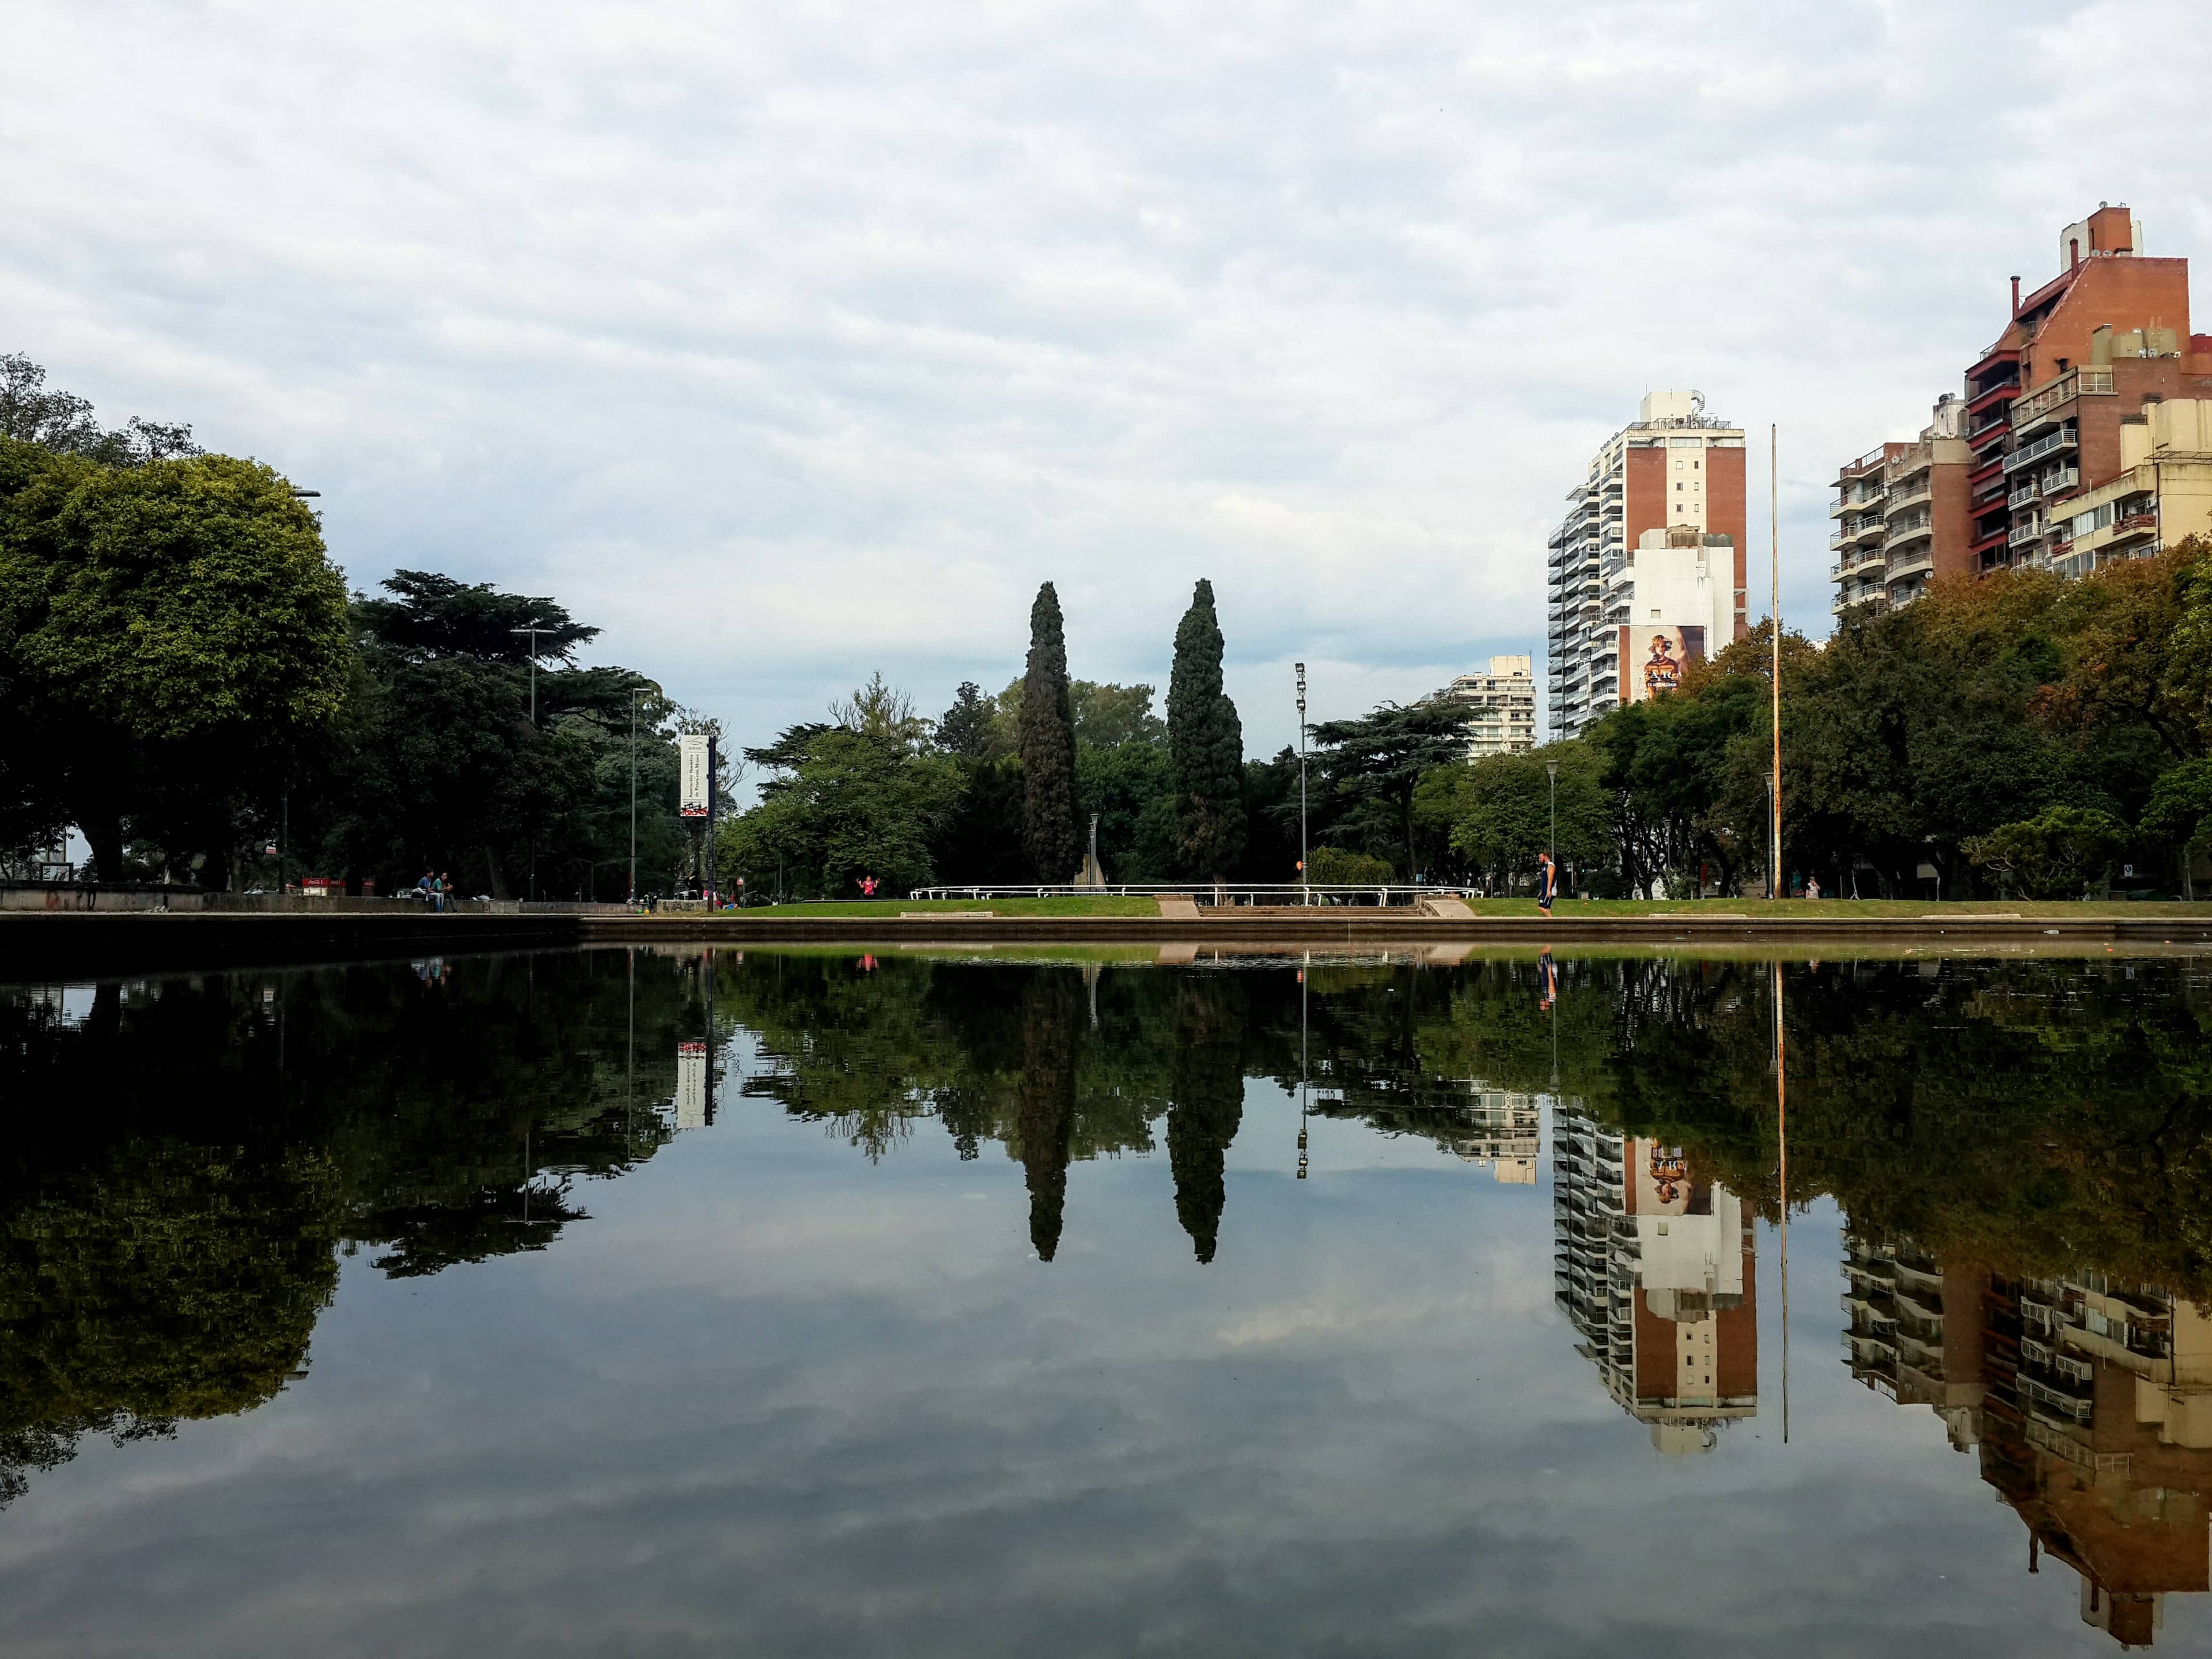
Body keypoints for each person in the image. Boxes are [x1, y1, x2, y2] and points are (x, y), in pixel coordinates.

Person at [1537, 851, 1558, 915]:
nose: (1539, 860)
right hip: (1545, 891)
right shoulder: (1545, 867)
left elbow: (1550, 878)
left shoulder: (1550, 866)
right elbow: (1544, 880)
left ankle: (1553, 923)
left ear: (1545, 857)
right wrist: (1541, 891)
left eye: (1540, 858)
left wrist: (1548, 890)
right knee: (1547, 908)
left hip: (1549, 891)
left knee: (1541, 907)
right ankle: (1551, 923)